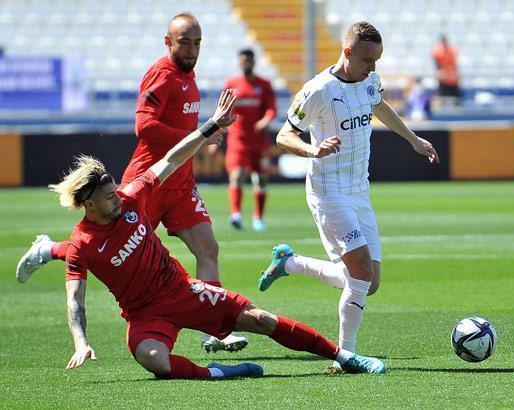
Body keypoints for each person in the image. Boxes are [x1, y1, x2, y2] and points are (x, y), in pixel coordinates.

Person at [52, 89, 386, 379]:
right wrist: (81, 342)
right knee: (153, 359)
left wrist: (211, 125)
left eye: (115, 192)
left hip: (182, 291)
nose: (117, 197)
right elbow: (75, 301)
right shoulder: (82, 244)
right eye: (109, 196)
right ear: (88, 205)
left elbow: (170, 159)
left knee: (261, 319)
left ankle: (344, 356)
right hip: (143, 315)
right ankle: (219, 373)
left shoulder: (131, 197)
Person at [16, 12, 248, 353]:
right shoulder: (160, 74)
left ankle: (215, 328)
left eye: (197, 43)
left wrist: (203, 136)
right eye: (185, 42)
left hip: (181, 184)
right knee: (120, 251)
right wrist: (198, 133)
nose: (192, 49)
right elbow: (144, 126)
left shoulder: (189, 74)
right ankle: (48, 249)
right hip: (149, 179)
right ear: (167, 42)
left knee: (208, 249)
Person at [256, 21, 440, 372]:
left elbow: (378, 104)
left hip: (359, 190)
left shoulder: (369, 79)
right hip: (329, 191)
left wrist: (413, 139)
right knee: (360, 271)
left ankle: (290, 263)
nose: (374, 68)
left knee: (369, 283)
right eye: (368, 60)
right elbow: (283, 136)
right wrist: (313, 150)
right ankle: (347, 355)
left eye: (378, 60)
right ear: (348, 52)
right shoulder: (319, 90)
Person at [209, 49, 276, 231]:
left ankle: (258, 217)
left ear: (254, 62)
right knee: (237, 175)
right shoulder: (232, 84)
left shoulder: (264, 85)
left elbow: (272, 109)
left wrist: (265, 120)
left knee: (261, 179)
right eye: (243, 60)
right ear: (239, 62)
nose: (246, 63)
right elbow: (222, 113)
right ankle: (236, 214)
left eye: (249, 60)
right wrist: (216, 135)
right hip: (238, 141)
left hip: (259, 141)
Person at [430, 34, 460, 103]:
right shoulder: (437, 50)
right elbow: (436, 63)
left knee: (455, 96)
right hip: (443, 76)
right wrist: (439, 71)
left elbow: (454, 63)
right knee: (443, 96)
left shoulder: (452, 50)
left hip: (452, 76)